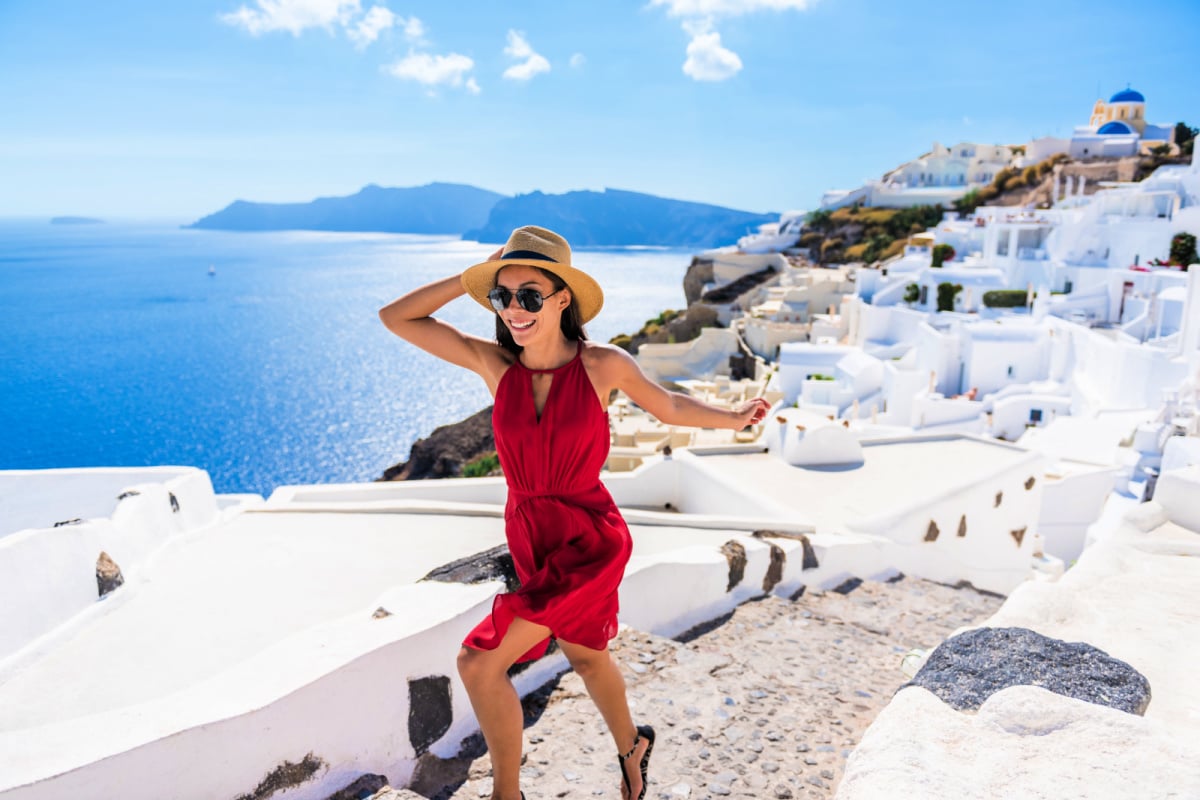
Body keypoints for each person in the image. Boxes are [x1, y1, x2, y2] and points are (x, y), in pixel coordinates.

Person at [379, 225, 770, 800]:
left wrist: (734, 419)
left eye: (530, 295)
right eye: (502, 296)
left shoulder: (601, 365)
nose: (514, 309)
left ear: (563, 299)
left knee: (479, 663)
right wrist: (471, 277)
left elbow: (668, 406)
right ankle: (632, 746)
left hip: (589, 540)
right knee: (587, 656)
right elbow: (397, 318)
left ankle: (505, 794)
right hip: (532, 537)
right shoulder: (496, 365)